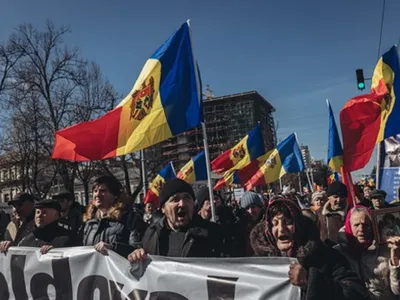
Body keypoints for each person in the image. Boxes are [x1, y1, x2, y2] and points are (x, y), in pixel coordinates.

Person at [250, 197, 369, 300]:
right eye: (275, 223)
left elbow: (356, 293)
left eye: (288, 222)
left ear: (299, 225)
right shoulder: (260, 263)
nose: (281, 229)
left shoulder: (326, 256)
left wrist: (311, 280)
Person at [128, 178, 225, 262]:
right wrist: (138, 255)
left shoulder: (214, 233)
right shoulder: (152, 234)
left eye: (187, 198)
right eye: (175, 199)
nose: (182, 203)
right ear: (163, 208)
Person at [334, 205, 400, 299]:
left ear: (372, 226)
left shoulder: (386, 249)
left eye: (365, 225)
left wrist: (395, 262)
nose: (361, 229)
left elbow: (397, 289)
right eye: (356, 225)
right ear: (349, 227)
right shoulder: (338, 253)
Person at [82, 175, 147, 257]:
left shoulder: (129, 218)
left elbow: (137, 250)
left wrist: (113, 248)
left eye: (103, 191)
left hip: (121, 269)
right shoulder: (90, 222)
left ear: (115, 195)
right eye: (95, 191)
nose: (97, 194)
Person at [316, 181, 348, 246]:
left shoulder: (352, 213)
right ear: (328, 197)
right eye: (335, 197)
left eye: (342, 196)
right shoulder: (319, 213)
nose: (339, 200)